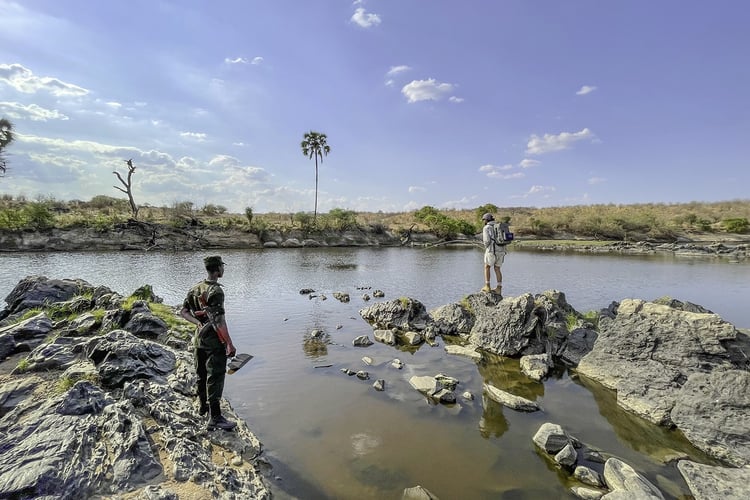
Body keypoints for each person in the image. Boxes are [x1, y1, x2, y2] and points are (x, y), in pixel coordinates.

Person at [180, 255, 237, 431]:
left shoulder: (195, 288)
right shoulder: (216, 292)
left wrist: (197, 323)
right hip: (214, 342)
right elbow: (219, 321)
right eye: (222, 267)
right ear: (218, 269)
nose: (223, 270)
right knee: (215, 377)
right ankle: (216, 418)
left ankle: (202, 407)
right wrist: (229, 343)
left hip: (199, 340)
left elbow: (183, 312)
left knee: (201, 374)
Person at [481, 213, 506, 295]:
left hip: (491, 251)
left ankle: (487, 286)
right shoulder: (500, 226)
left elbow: (486, 241)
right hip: (501, 250)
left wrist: (486, 247)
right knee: (497, 269)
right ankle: (499, 288)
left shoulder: (486, 227)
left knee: (487, 267)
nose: (483, 221)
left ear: (486, 220)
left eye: (484, 220)